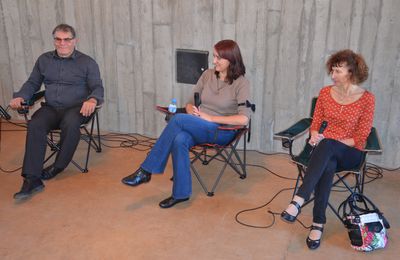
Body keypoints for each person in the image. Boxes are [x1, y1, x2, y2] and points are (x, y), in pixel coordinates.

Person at [121, 39, 251, 208]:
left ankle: (146, 170)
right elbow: (190, 102)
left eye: (219, 58)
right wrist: (191, 110)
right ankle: (180, 193)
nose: (214, 61)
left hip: (222, 130)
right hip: (198, 125)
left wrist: (211, 118)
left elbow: (243, 119)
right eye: (214, 56)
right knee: (180, 139)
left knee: (177, 119)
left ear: (231, 59)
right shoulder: (207, 75)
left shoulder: (241, 83)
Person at [280, 49, 375, 249]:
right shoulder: (325, 93)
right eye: (332, 70)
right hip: (325, 152)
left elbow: (360, 137)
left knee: (328, 145)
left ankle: (299, 199)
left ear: (351, 71)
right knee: (328, 163)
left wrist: (331, 142)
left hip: (350, 152)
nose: (333, 75)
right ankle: (318, 223)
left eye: (338, 71)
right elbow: (316, 123)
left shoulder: (367, 99)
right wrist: (314, 133)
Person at [9, 24, 104, 200]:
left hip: (78, 108)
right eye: (58, 39)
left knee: (70, 122)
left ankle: (58, 166)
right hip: (51, 108)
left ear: (74, 41)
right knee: (35, 123)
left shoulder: (87, 62)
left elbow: (97, 86)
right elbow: (32, 83)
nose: (62, 43)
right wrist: (21, 96)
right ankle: (32, 179)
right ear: (54, 41)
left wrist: (92, 99)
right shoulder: (44, 60)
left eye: (67, 39)